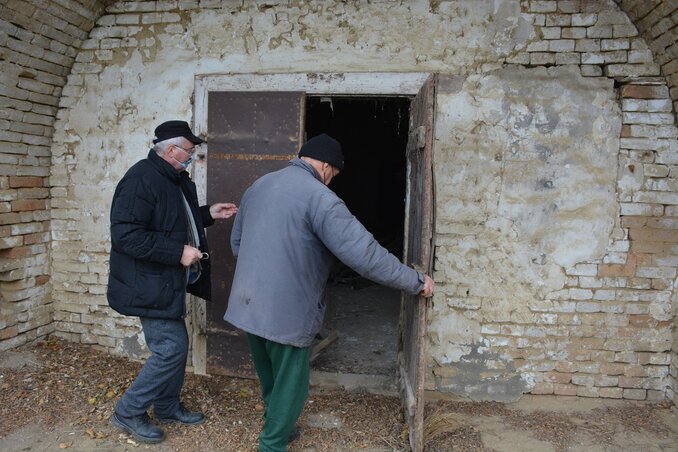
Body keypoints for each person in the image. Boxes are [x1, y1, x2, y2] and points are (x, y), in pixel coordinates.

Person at [224, 133, 434, 452]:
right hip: (287, 309)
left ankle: (275, 422)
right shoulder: (320, 198)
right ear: (325, 166)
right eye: (333, 175)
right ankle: (271, 444)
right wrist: (415, 281)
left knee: (270, 372)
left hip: (247, 301)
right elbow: (364, 255)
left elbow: (237, 243)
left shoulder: (260, 185)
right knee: (291, 383)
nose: (331, 182)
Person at [107, 120, 238, 444]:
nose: (192, 156)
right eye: (190, 151)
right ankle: (128, 411)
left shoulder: (174, 179)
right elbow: (125, 235)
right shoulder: (141, 179)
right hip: (147, 283)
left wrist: (208, 213)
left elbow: (174, 220)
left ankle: (166, 406)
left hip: (166, 281)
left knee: (176, 348)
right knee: (171, 349)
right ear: (170, 150)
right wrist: (176, 252)